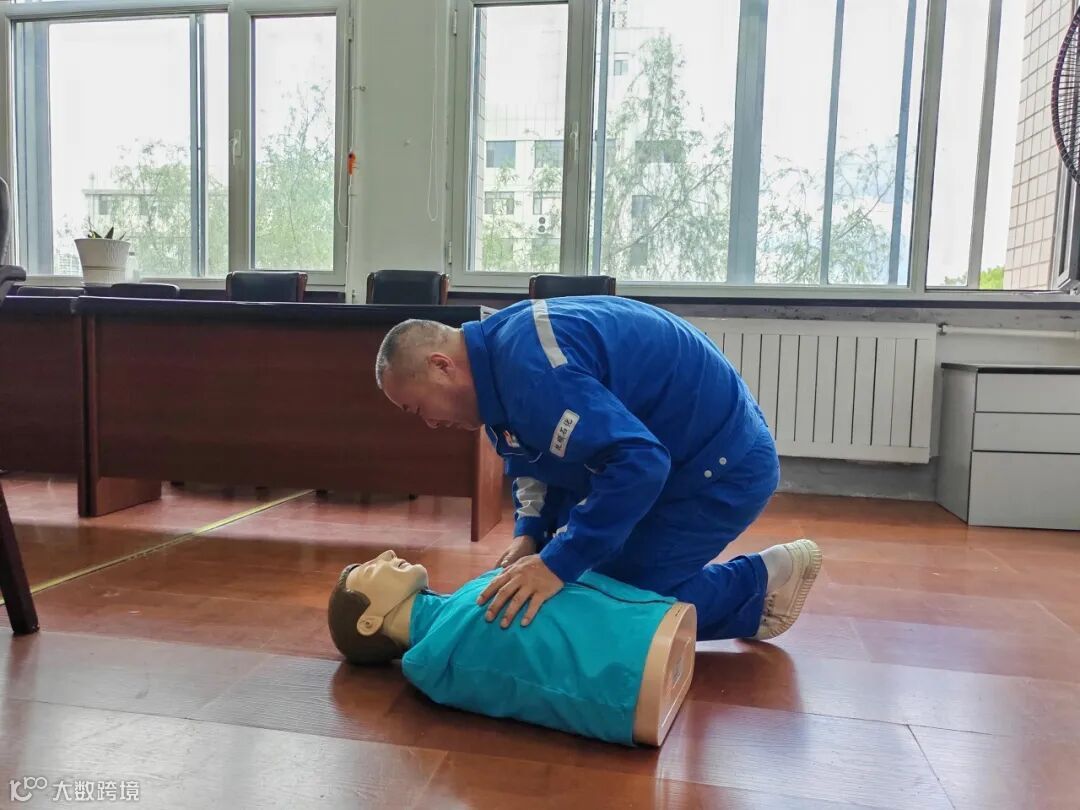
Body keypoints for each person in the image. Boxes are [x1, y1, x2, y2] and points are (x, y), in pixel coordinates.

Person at [374, 295, 821, 640]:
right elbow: (534, 457)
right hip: (671, 454)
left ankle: (761, 585)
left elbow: (640, 465)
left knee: (602, 601)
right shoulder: (497, 359)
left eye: (419, 409)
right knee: (571, 580)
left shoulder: (534, 376)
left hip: (723, 466)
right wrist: (531, 534)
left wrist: (556, 564)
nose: (430, 424)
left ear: (442, 366)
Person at [328, 550, 697, 745]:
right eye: (371, 570)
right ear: (368, 622)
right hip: (637, 672)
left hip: (651, 626)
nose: (387, 554)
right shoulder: (439, 655)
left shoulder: (451, 619)